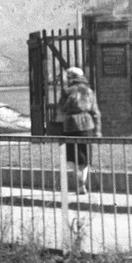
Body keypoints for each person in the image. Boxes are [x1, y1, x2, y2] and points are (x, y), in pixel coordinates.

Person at [54, 65, 101, 193]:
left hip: (70, 125)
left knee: (73, 157)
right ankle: (82, 183)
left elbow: (61, 109)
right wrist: (98, 131)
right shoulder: (89, 91)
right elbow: (96, 112)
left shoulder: (67, 91)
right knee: (85, 157)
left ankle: (79, 182)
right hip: (87, 125)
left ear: (71, 78)